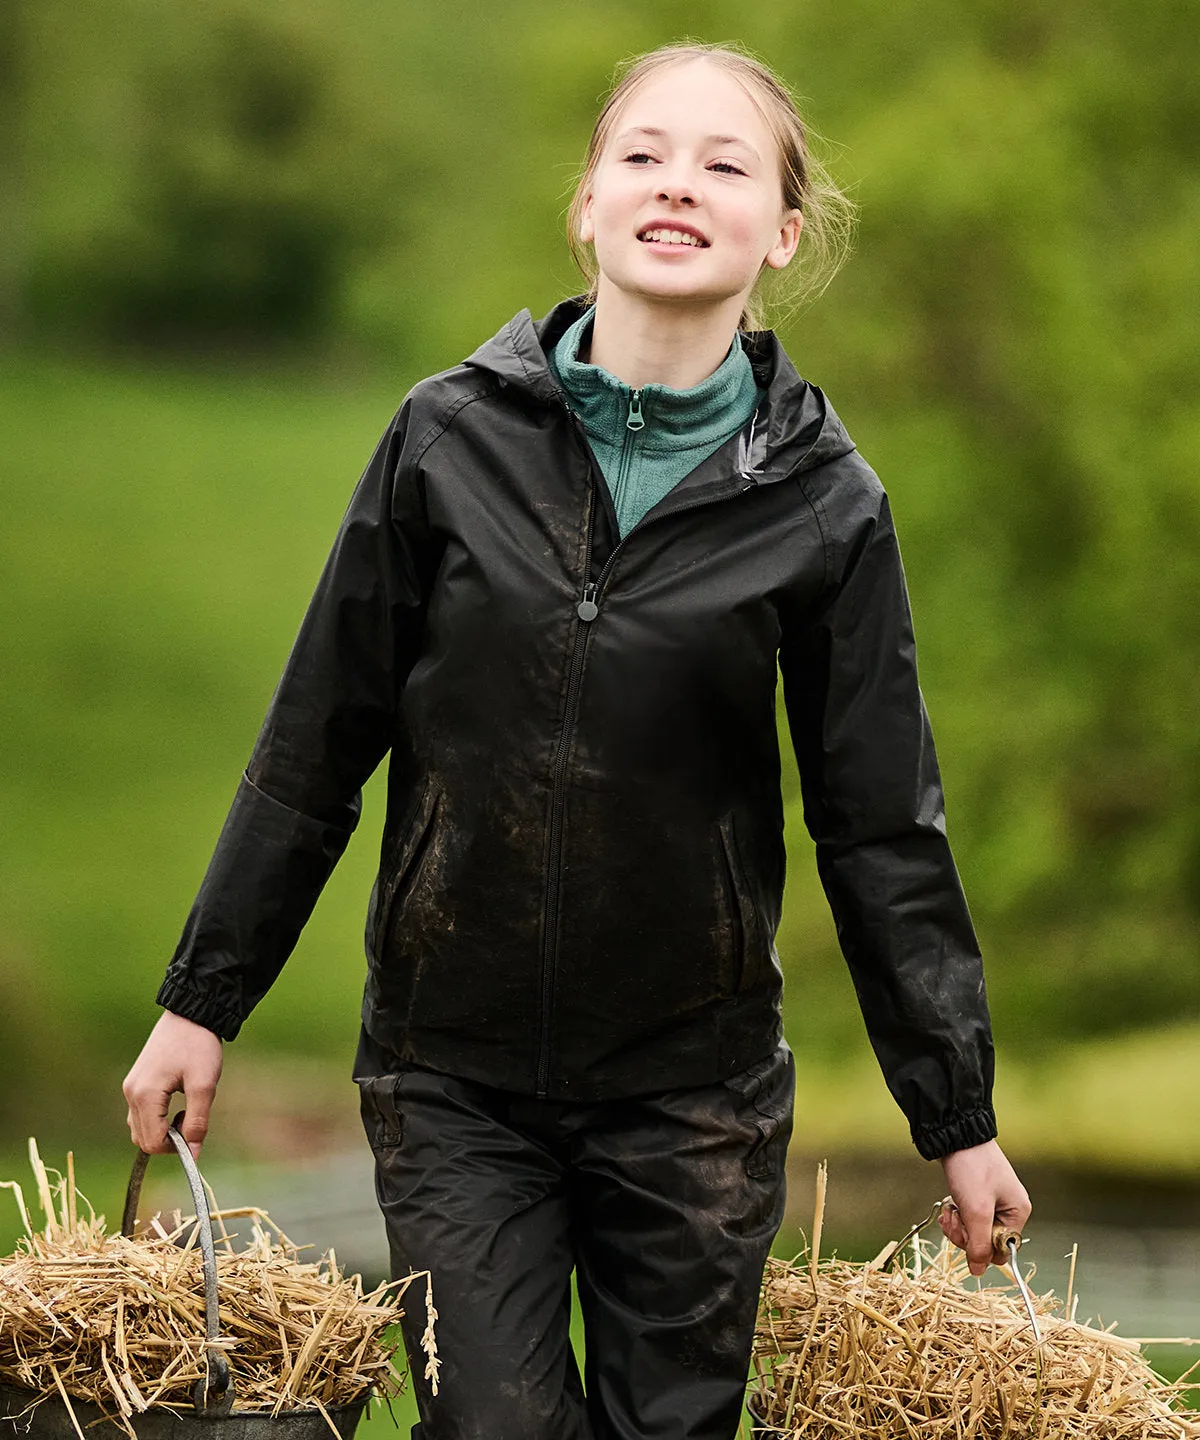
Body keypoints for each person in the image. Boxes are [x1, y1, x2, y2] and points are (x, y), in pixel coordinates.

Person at [123, 41, 1031, 1440]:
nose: (679, 185)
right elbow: (318, 739)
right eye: (643, 156)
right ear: (588, 206)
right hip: (451, 1078)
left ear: (783, 232)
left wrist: (957, 1115)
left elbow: (880, 831)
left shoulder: (827, 507)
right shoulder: (445, 441)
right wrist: (202, 997)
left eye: (725, 165)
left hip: (695, 1103)